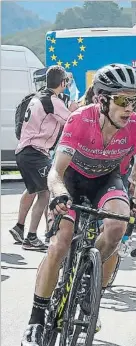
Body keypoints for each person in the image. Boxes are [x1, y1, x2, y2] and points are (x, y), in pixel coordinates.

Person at [20, 64, 136, 346]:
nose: (130, 108)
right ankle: (36, 319)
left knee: (119, 225)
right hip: (70, 179)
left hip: (106, 180)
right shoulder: (79, 119)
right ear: (102, 100)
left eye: (134, 100)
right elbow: (55, 172)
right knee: (60, 241)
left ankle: (86, 275)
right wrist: (58, 195)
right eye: (122, 100)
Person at [9, 66, 72, 251]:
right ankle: (31, 237)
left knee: (33, 190)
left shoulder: (38, 97)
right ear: (63, 83)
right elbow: (70, 121)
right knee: (45, 193)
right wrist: (75, 109)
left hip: (25, 150)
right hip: (35, 151)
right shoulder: (52, 100)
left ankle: (19, 227)